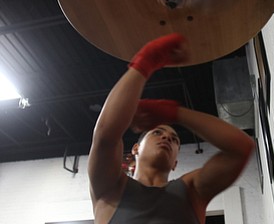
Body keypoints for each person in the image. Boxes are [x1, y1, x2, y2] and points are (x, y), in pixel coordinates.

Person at [88, 33, 254, 224]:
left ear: (175, 162)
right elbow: (105, 136)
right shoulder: (110, 189)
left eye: (174, 139)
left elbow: (242, 148)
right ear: (135, 149)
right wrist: (146, 61)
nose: (167, 138)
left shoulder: (192, 191)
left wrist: (175, 113)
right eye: (157, 132)